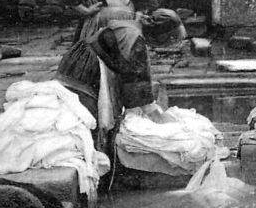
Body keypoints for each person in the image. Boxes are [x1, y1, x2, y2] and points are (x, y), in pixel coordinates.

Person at [54, 8, 187, 154]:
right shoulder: (134, 39)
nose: (168, 43)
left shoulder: (134, 26)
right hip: (85, 69)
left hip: (78, 59)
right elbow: (136, 83)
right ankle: (91, 155)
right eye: (169, 38)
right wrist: (159, 117)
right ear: (160, 33)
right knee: (83, 117)